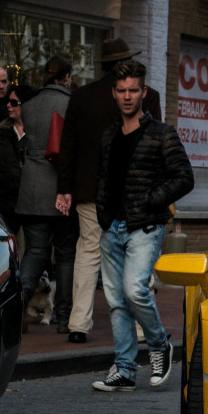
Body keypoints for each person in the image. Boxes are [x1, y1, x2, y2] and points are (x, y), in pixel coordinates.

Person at [90, 60, 195, 393]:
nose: (127, 96)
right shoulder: (108, 135)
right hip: (112, 227)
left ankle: (159, 342)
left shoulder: (162, 133)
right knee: (117, 300)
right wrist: (103, 213)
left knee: (134, 289)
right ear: (113, 93)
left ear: (143, 92)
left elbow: (185, 178)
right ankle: (123, 369)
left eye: (133, 90)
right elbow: (105, 178)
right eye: (121, 91)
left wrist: (153, 199)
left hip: (145, 226)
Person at [55, 37, 162, 344]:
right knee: (137, 255)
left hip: (90, 189)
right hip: (134, 191)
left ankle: (78, 324)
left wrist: (65, 188)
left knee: (88, 253)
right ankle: (142, 328)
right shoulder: (148, 95)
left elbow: (68, 146)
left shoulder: (82, 97)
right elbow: (154, 145)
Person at [16, 56, 77, 334]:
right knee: (65, 255)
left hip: (31, 189)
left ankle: (18, 305)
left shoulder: (28, 106)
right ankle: (64, 318)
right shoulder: (72, 104)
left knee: (35, 251)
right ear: (67, 77)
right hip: (62, 188)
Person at [0, 83, 34, 236]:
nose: (9, 105)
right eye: (8, 101)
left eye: (14, 103)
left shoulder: (37, 132)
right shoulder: (1, 130)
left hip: (30, 201)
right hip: (5, 200)